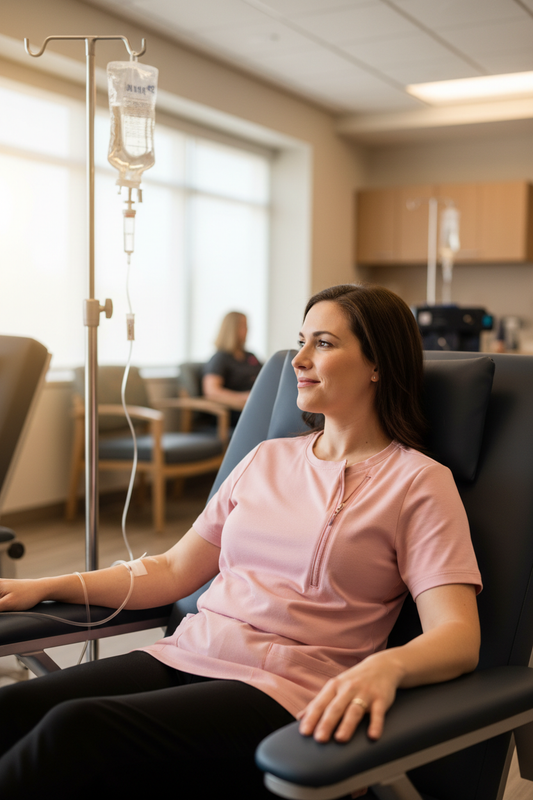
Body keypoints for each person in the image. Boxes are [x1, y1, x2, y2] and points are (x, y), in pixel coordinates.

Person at [0, 284, 481, 799]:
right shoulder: (266, 459)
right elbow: (172, 570)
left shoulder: (418, 482)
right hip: (187, 653)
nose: (297, 360)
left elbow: (456, 634)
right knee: (13, 711)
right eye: (300, 341)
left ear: (377, 365)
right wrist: (46, 585)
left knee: (75, 731)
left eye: (323, 343)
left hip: (287, 692)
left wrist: (386, 667)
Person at [202, 310, 262, 426]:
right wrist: (245, 398)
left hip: (257, 404)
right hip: (234, 411)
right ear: (232, 329)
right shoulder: (220, 358)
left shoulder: (250, 356)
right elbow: (212, 391)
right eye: (243, 326)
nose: (248, 330)